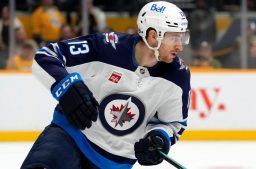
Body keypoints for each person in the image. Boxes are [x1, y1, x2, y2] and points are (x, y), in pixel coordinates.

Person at [21, 1, 191, 169]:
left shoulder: (179, 75)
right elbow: (46, 56)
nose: (180, 46)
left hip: (114, 163)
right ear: (153, 36)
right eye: (174, 37)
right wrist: (67, 88)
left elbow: (174, 123)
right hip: (69, 137)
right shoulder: (107, 47)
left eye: (182, 37)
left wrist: (159, 136)